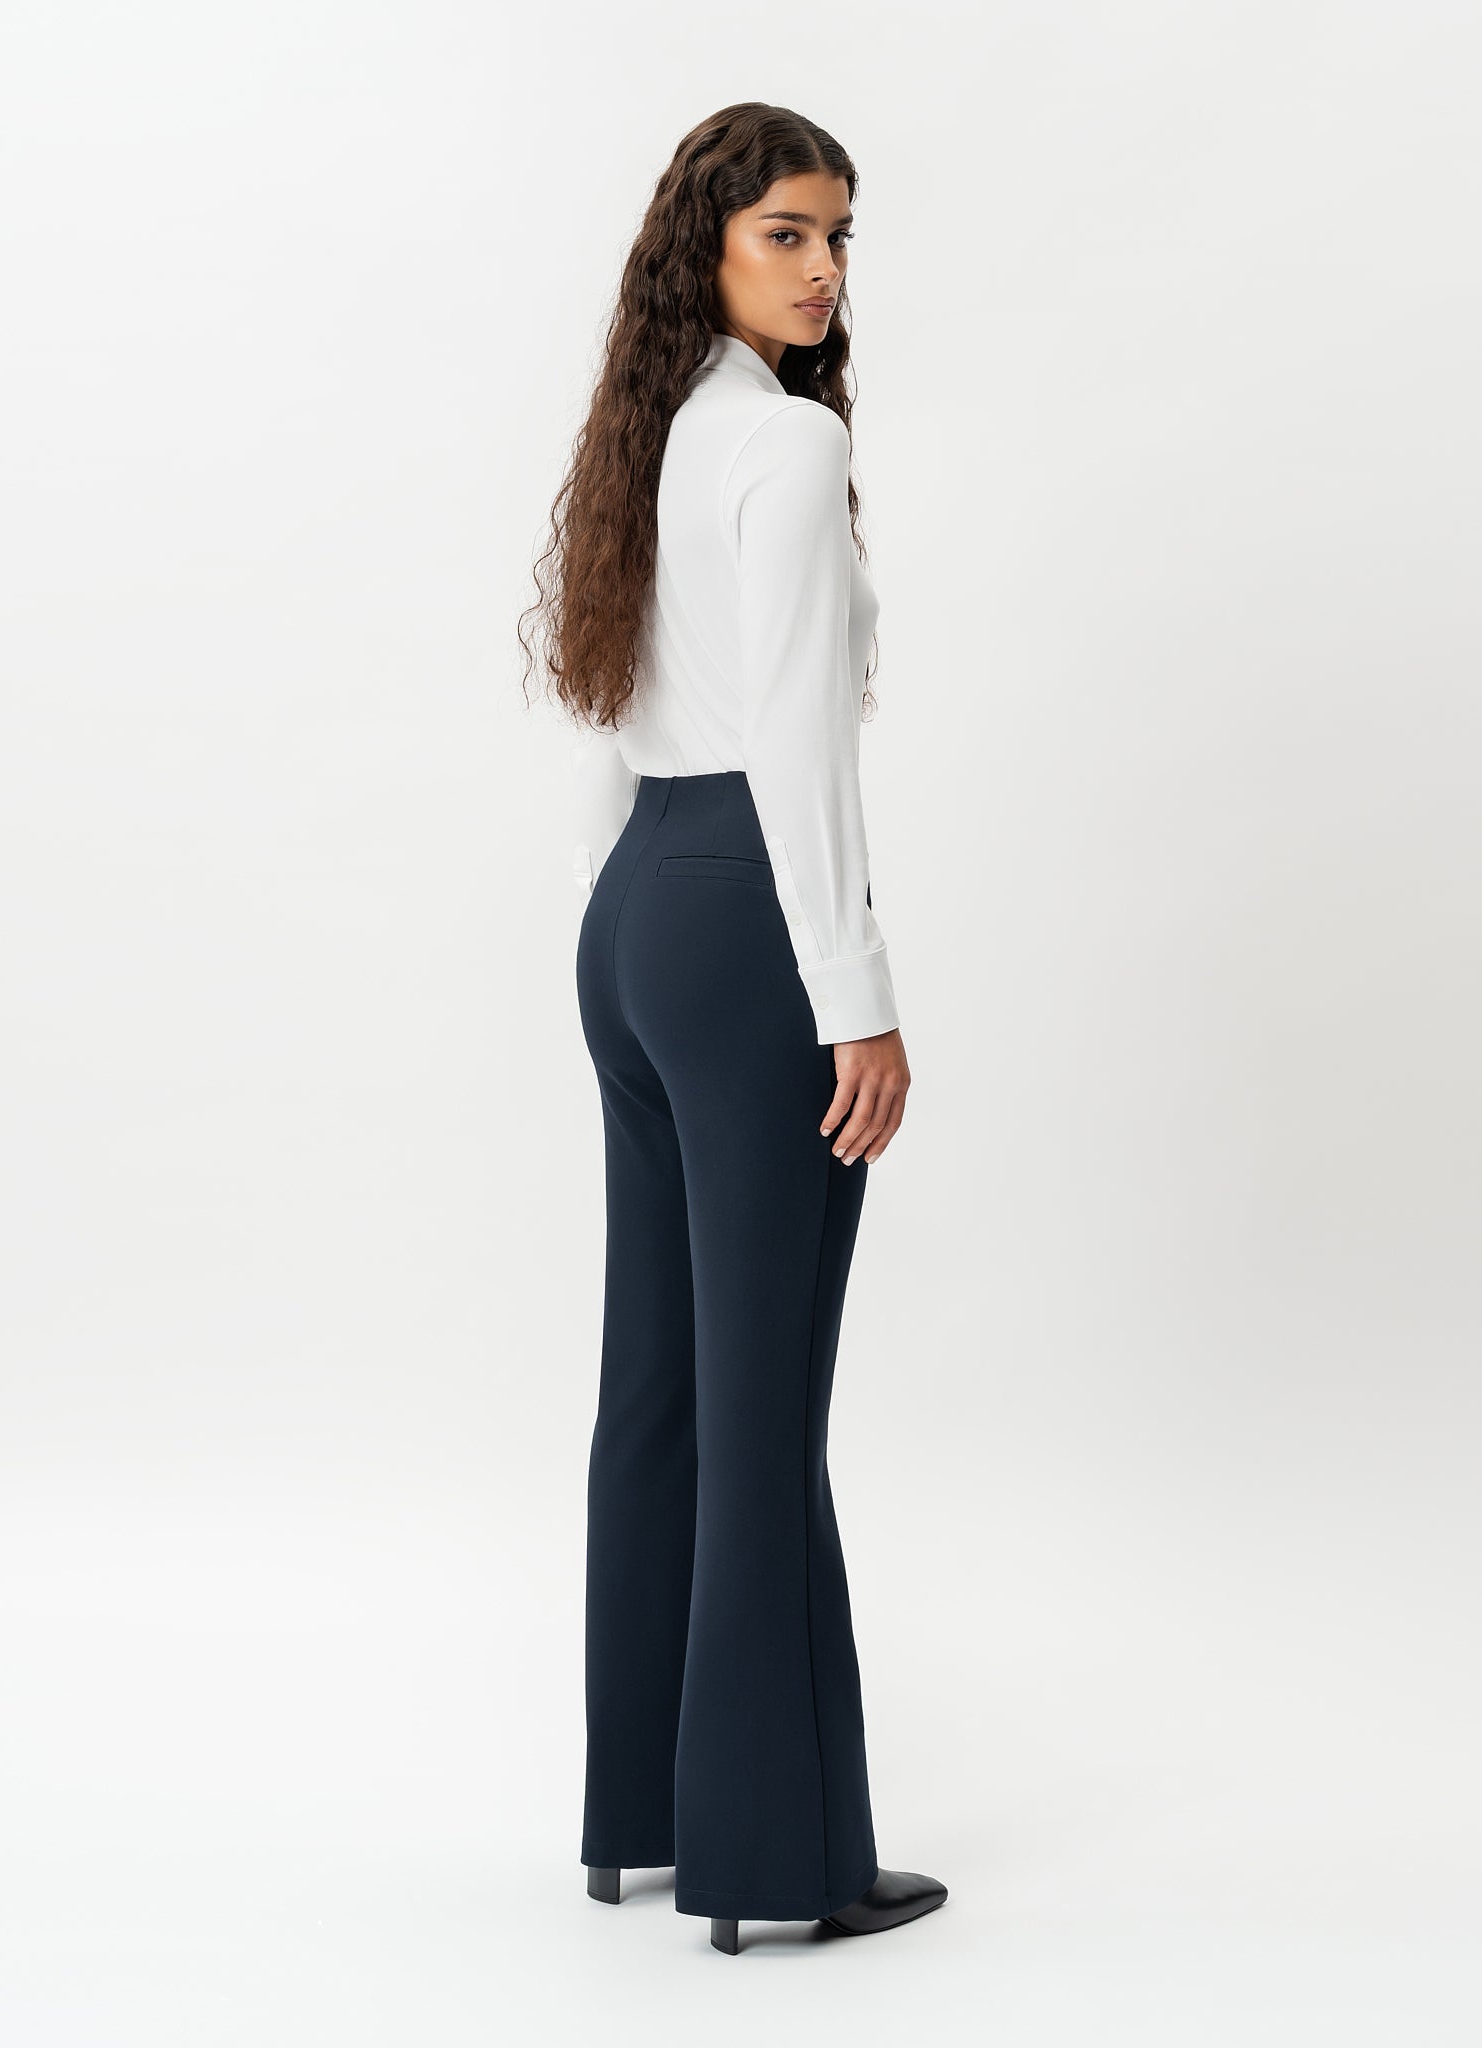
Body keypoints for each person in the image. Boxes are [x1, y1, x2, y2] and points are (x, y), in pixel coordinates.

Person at [520, 101, 947, 1958]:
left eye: (840, 237)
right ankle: (780, 1863)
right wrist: (855, 995)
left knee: (664, 1387)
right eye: (788, 233)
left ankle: (641, 1819)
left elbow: (620, 708)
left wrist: (628, 926)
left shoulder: (656, 432)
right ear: (706, 243)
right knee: (760, 1404)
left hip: (638, 912)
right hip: (744, 919)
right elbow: (797, 743)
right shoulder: (781, 441)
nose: (825, 269)